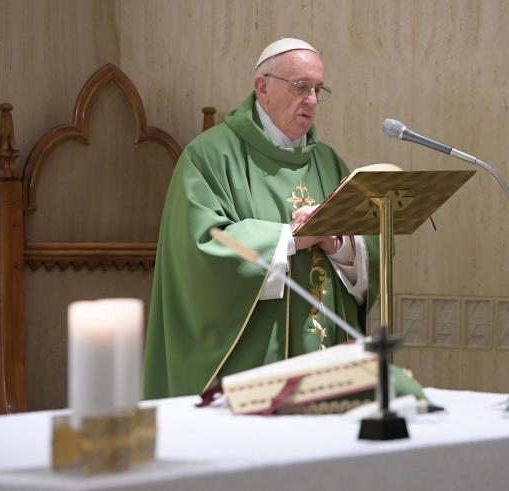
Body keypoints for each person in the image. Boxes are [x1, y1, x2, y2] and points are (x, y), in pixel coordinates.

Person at [143, 38, 380, 399]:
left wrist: (340, 244)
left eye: (318, 89)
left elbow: (369, 251)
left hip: (327, 366)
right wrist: (290, 238)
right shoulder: (208, 157)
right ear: (262, 88)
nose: (312, 101)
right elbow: (199, 252)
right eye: (301, 87)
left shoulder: (329, 163)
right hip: (252, 370)